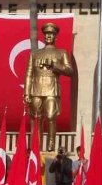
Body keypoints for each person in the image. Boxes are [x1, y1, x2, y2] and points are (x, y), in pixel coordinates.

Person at [24, 22, 73, 150]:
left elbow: (69, 71)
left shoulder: (61, 53)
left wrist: (55, 66)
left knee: (51, 116)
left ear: (55, 36)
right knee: (36, 118)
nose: (48, 36)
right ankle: (36, 146)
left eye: (51, 34)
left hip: (52, 89)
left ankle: (51, 143)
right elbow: (29, 73)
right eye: (46, 34)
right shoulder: (34, 53)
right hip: (36, 89)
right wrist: (26, 93)